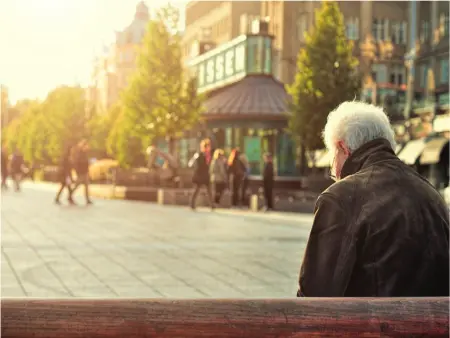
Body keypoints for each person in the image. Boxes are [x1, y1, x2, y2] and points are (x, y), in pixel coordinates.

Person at [297, 101, 449, 297]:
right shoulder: (432, 195)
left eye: (333, 156)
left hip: (370, 326)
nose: (333, 169)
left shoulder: (341, 198)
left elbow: (315, 294)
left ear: (343, 148)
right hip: (434, 326)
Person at [189, 139, 214, 210]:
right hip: (200, 175)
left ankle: (212, 205)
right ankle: (192, 204)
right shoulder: (199, 155)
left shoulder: (208, 155)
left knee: (209, 191)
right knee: (196, 190)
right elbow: (193, 164)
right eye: (207, 147)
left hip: (206, 175)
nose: (209, 148)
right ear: (204, 147)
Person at [71, 140, 93, 205]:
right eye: (86, 146)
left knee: (86, 186)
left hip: (85, 172)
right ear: (83, 146)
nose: (88, 147)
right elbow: (77, 163)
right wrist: (78, 171)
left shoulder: (84, 153)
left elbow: (86, 163)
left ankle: (87, 199)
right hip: (81, 173)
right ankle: (70, 195)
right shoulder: (80, 154)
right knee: (77, 185)